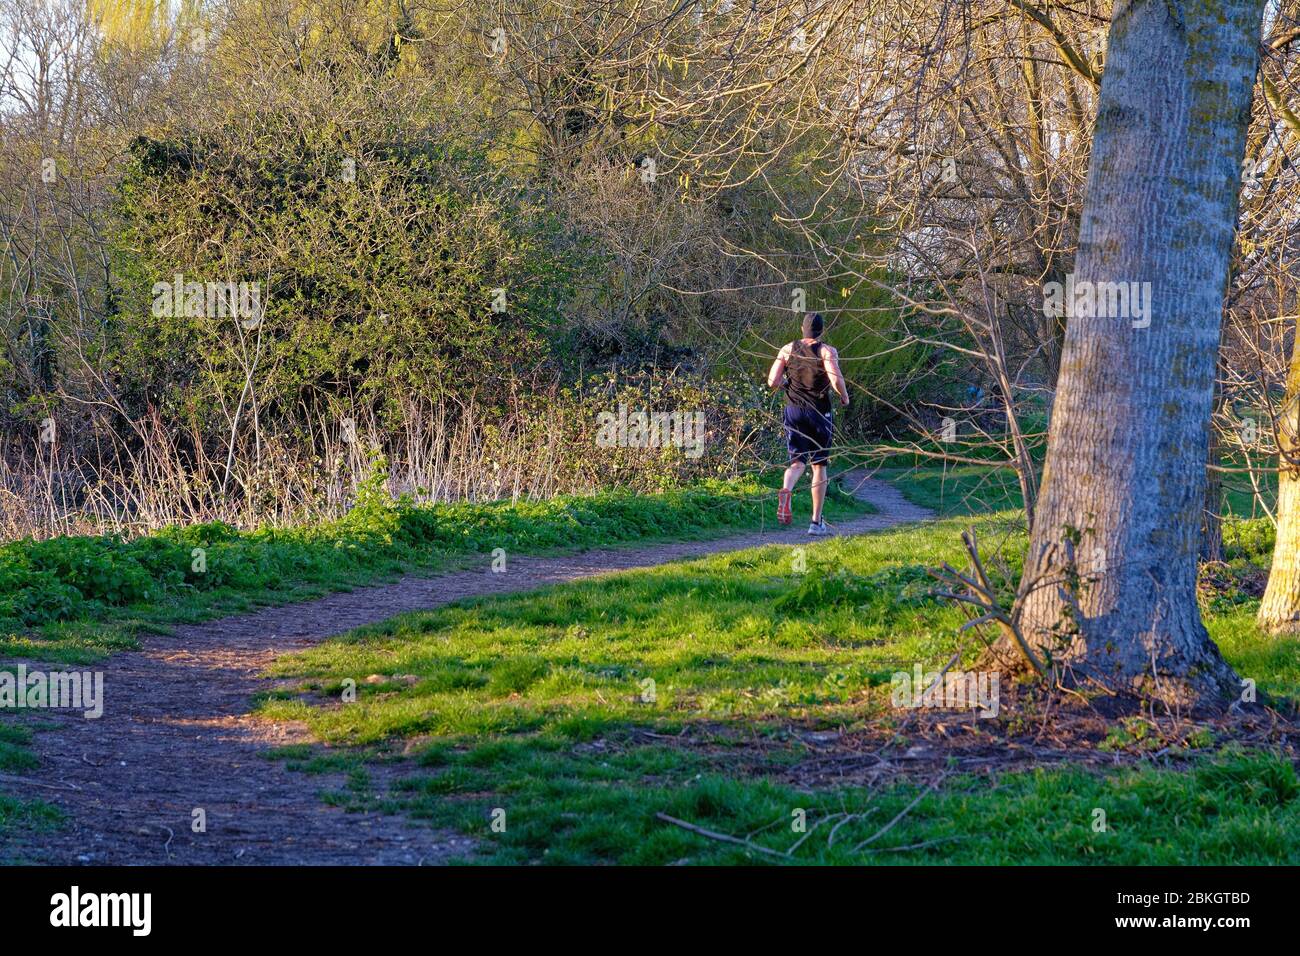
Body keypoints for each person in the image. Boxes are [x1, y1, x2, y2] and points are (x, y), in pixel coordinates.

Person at [766, 312, 850, 535]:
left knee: (797, 462)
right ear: (821, 330)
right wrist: (844, 396)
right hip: (818, 412)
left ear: (802, 328)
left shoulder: (787, 349)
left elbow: (772, 381)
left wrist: (788, 386)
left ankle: (786, 489)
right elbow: (834, 378)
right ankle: (815, 522)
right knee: (819, 466)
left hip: (793, 411)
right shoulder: (826, 351)